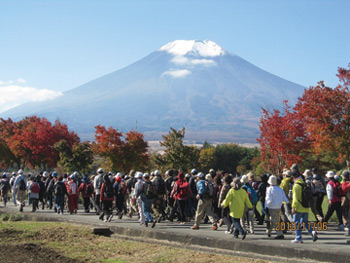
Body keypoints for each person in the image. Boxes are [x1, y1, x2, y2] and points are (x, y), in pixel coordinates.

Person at [290, 167, 318, 244]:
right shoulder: (304, 183)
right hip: (306, 207)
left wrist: (293, 207)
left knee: (296, 222)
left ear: (294, 177)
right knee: (305, 222)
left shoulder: (296, 185)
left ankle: (298, 238)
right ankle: (312, 232)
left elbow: (295, 198)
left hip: (299, 207)